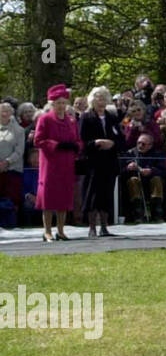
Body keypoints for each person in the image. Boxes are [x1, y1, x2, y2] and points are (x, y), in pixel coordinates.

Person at [33, 85, 82, 241]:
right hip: (51, 163)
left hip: (67, 164)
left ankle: (60, 230)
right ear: (52, 104)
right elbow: (38, 140)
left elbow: (78, 140)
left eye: (63, 103)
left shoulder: (71, 121)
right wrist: (56, 145)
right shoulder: (45, 119)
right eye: (58, 103)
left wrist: (76, 146)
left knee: (64, 197)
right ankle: (47, 230)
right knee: (48, 197)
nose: (61, 106)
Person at [79, 86, 123, 237]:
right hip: (93, 162)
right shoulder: (86, 117)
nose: (101, 101)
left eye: (104, 98)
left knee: (106, 193)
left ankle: (104, 227)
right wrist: (96, 142)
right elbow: (82, 140)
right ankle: (92, 227)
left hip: (109, 161)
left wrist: (113, 144)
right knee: (92, 194)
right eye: (98, 98)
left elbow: (120, 139)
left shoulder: (112, 117)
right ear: (93, 100)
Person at [0, 102, 26, 211]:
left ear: (12, 113)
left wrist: (6, 162)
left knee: (12, 199)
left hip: (12, 169)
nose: (4, 113)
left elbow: (19, 151)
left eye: (7, 111)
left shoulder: (19, 130)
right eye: (2, 111)